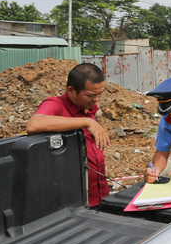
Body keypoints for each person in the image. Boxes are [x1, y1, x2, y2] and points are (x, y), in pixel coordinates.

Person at [26, 63, 110, 207]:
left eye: (100, 94)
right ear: (71, 90)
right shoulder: (56, 104)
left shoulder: (87, 106)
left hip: (100, 194)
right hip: (75, 202)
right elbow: (33, 124)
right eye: (91, 95)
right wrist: (86, 122)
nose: (96, 99)